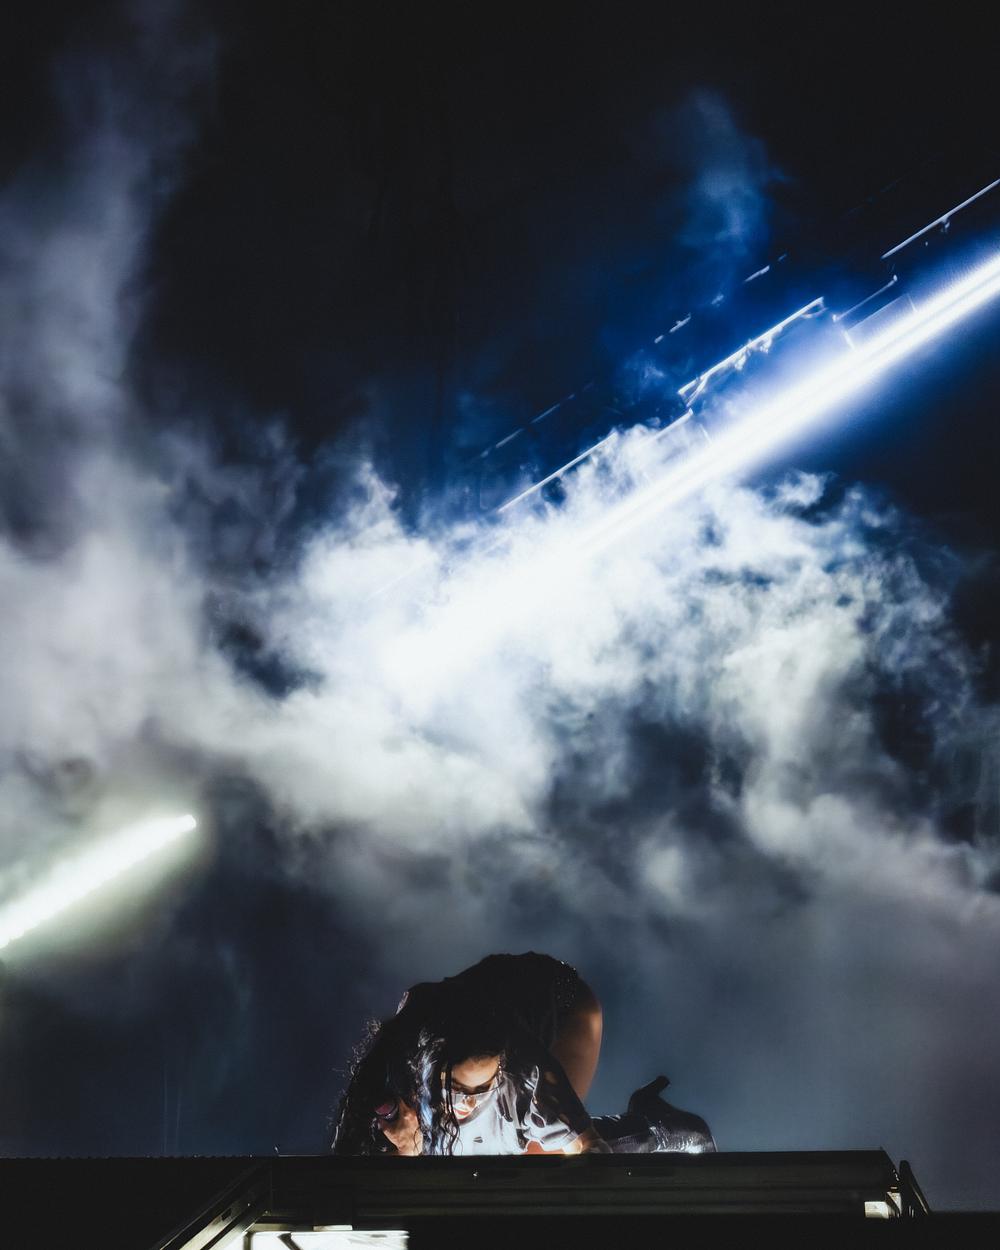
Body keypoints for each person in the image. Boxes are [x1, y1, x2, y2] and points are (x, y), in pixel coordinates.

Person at [331, 952, 716, 1156]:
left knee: (538, 1153)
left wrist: (587, 1147)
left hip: (566, 1003)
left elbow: (587, 1147)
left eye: (481, 1092)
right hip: (485, 1004)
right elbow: (366, 1121)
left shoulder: (529, 1072)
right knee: (428, 1145)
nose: (469, 1104)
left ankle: (656, 1122)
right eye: (459, 1092)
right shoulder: (403, 1056)